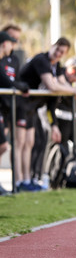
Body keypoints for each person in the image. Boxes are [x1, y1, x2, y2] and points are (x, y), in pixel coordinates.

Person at [14, 37, 76, 192]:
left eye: (62, 53)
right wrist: (74, 90)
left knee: (30, 143)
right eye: (57, 50)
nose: (58, 54)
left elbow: (62, 84)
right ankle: (17, 181)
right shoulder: (41, 60)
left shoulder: (56, 66)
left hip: (32, 107)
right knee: (20, 144)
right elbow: (52, 85)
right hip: (21, 104)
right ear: (53, 46)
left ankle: (27, 180)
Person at [0, 31, 29, 195]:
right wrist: (19, 86)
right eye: (11, 42)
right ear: (5, 44)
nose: (13, 46)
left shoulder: (14, 60)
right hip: (3, 106)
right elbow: (5, 80)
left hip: (5, 107)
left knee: (3, 145)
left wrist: (19, 85)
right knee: (3, 145)